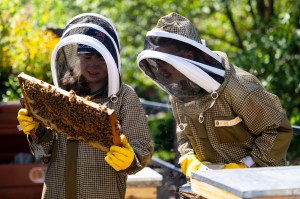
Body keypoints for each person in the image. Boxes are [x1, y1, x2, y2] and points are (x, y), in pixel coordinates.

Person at [137, 12, 293, 180]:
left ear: (188, 56)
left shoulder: (238, 87)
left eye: (163, 62)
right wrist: (189, 159)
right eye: (155, 63)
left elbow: (277, 130)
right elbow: (183, 135)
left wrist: (246, 165)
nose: (159, 70)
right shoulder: (178, 92)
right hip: (206, 186)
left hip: (253, 185)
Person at [17, 13, 153, 199]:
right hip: (57, 192)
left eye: (100, 57)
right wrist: (36, 130)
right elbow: (45, 153)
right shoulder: (60, 93)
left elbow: (142, 148)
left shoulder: (124, 96)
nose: (93, 64)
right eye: (87, 57)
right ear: (76, 56)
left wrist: (131, 159)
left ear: (112, 58)